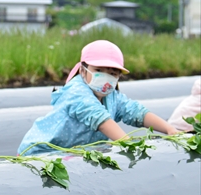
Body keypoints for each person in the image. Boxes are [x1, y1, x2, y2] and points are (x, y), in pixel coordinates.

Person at [17, 40, 179, 155]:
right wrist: (129, 144)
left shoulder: (112, 96)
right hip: (43, 152)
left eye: (113, 73)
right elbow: (101, 120)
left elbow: (136, 112)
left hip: (73, 152)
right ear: (82, 70)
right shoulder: (76, 92)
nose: (106, 77)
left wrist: (170, 129)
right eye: (99, 70)